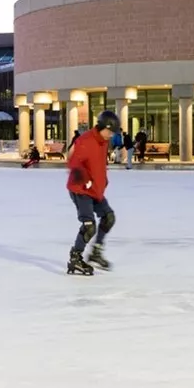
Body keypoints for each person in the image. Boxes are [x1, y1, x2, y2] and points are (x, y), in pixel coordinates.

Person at [66, 110, 119, 275]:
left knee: (108, 217)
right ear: (102, 127)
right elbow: (74, 163)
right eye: (109, 131)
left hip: (95, 189)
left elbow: (98, 164)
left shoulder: (103, 141)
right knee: (89, 226)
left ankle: (96, 251)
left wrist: (103, 180)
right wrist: (86, 180)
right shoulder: (86, 140)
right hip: (81, 189)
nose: (111, 135)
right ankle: (75, 258)